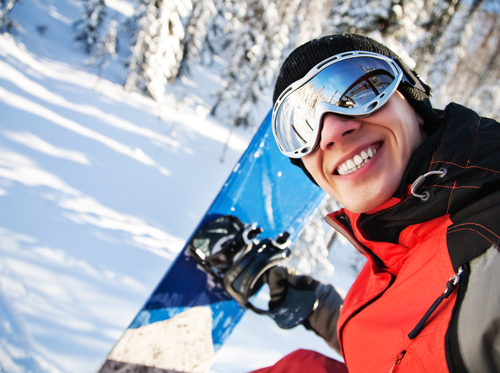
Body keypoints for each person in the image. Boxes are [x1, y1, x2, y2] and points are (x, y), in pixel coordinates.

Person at [253, 33, 500, 373]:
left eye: (361, 90)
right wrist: (318, 308)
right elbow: (414, 349)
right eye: (300, 128)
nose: (331, 133)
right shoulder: (388, 246)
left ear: (412, 100)